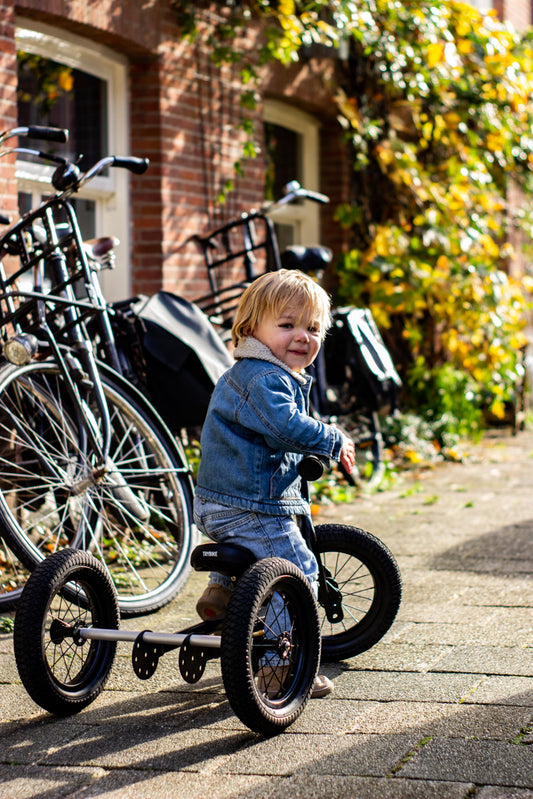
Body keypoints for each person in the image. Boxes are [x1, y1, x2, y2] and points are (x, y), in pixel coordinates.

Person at [194, 268, 356, 698]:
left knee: (253, 551)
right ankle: (278, 666)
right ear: (251, 329)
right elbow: (282, 426)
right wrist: (332, 437)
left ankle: (222, 591)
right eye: (287, 325)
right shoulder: (266, 379)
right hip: (249, 503)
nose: (302, 336)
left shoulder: (254, 373)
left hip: (218, 501)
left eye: (313, 327)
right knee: (296, 573)